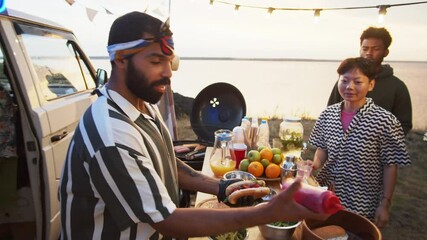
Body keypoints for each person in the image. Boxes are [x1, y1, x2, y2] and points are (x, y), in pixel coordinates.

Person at [59, 11, 327, 240]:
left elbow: (167, 163)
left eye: (169, 61)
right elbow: (167, 220)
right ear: (120, 59)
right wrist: (267, 212)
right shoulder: (111, 134)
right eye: (155, 61)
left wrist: (220, 187)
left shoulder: (142, 107)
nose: (168, 72)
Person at [308, 57, 411, 228]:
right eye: (345, 80)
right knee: (322, 233)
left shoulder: (385, 121)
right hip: (326, 193)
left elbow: (390, 165)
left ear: (371, 85)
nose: (350, 87)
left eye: (358, 82)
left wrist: (385, 204)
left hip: (362, 201)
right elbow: (322, 149)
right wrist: (315, 163)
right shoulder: (328, 115)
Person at [327, 27, 412, 135]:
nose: (369, 53)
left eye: (376, 49)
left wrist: (377, 140)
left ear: (386, 52)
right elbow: (331, 112)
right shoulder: (346, 82)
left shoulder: (397, 86)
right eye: (365, 48)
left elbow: (404, 123)